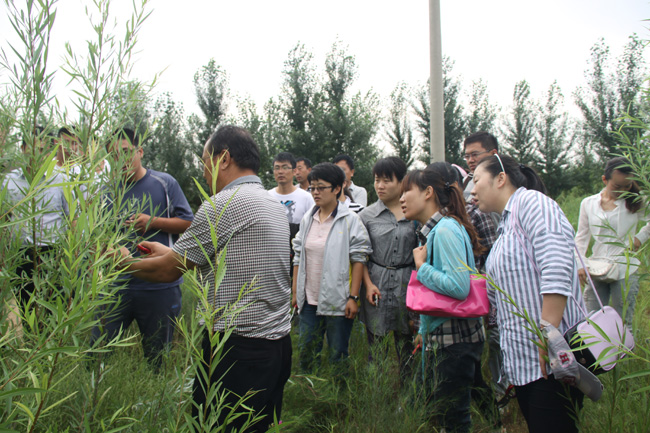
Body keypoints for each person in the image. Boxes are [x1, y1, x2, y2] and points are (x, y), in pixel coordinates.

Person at [122, 125, 292, 433]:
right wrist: (165, 251)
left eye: (204, 162)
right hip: (277, 346)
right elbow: (194, 256)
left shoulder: (223, 204)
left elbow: (167, 271)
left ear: (223, 159)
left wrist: (124, 263)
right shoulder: (273, 205)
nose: (203, 172)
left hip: (236, 349)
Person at [471, 154, 586, 433]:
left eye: (476, 180)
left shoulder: (533, 204)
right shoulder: (506, 223)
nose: (471, 190)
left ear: (500, 179)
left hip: (551, 360)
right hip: (526, 363)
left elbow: (557, 266)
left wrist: (549, 335)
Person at [94, 128, 194, 367]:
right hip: (115, 283)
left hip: (158, 284)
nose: (122, 160)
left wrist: (153, 221)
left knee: (158, 356)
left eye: (127, 152)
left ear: (139, 151)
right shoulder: (106, 191)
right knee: (96, 351)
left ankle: (157, 400)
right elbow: (97, 233)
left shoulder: (164, 182)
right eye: (114, 156)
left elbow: (188, 223)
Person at [401, 163, 485, 433]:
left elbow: (459, 287)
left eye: (407, 191)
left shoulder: (446, 230)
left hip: (454, 345)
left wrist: (422, 267)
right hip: (445, 339)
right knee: (438, 412)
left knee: (454, 419)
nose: (401, 198)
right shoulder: (437, 229)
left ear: (427, 193)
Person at [292, 162, 371, 375]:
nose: (315, 192)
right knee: (306, 349)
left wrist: (353, 297)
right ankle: (310, 393)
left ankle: (339, 398)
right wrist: (295, 293)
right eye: (312, 188)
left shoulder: (350, 220)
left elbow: (359, 259)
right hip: (309, 300)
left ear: (337, 188)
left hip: (338, 300)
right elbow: (298, 255)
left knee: (338, 354)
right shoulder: (308, 218)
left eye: (321, 187)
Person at [358, 157, 417, 383]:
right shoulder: (366, 215)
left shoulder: (414, 214)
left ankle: (407, 397)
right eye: (376, 180)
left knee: (407, 346)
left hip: (406, 286)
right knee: (376, 346)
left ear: (402, 182)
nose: (380, 186)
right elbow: (360, 256)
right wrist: (368, 284)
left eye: (386, 181)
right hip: (377, 285)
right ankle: (377, 395)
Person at [575, 156, 649, 328]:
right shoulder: (588, 203)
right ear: (604, 179)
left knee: (622, 322)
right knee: (592, 320)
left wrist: (640, 238)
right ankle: (599, 355)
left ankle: (623, 354)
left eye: (627, 186)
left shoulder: (636, 201)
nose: (623, 191)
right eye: (617, 186)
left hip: (625, 268)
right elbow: (581, 237)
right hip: (596, 268)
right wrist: (580, 263)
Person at [5, 128, 68, 310]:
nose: (36, 155)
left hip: (52, 255)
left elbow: (72, 218)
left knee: (52, 312)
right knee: (26, 312)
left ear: (49, 153)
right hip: (20, 256)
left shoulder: (62, 180)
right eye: (32, 149)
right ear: (23, 149)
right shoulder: (10, 181)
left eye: (42, 150)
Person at [268, 152, 314, 245]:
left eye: (285, 167)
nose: (280, 171)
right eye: (277, 168)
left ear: (294, 171)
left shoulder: (307, 198)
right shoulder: (267, 196)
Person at [462, 131, 499, 201]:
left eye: (475, 154)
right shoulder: (466, 181)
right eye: (467, 156)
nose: (470, 160)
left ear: (493, 153)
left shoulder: (505, 181)